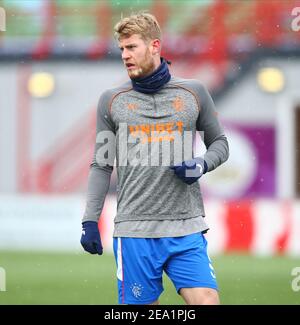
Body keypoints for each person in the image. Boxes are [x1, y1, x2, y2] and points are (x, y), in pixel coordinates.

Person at [80, 13, 229, 305]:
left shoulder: (193, 92)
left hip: (186, 227)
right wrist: (89, 221)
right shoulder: (111, 101)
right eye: (122, 49)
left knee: (208, 301)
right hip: (134, 231)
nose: (125, 55)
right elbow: (102, 164)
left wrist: (201, 164)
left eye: (132, 47)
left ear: (155, 46)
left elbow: (220, 144)